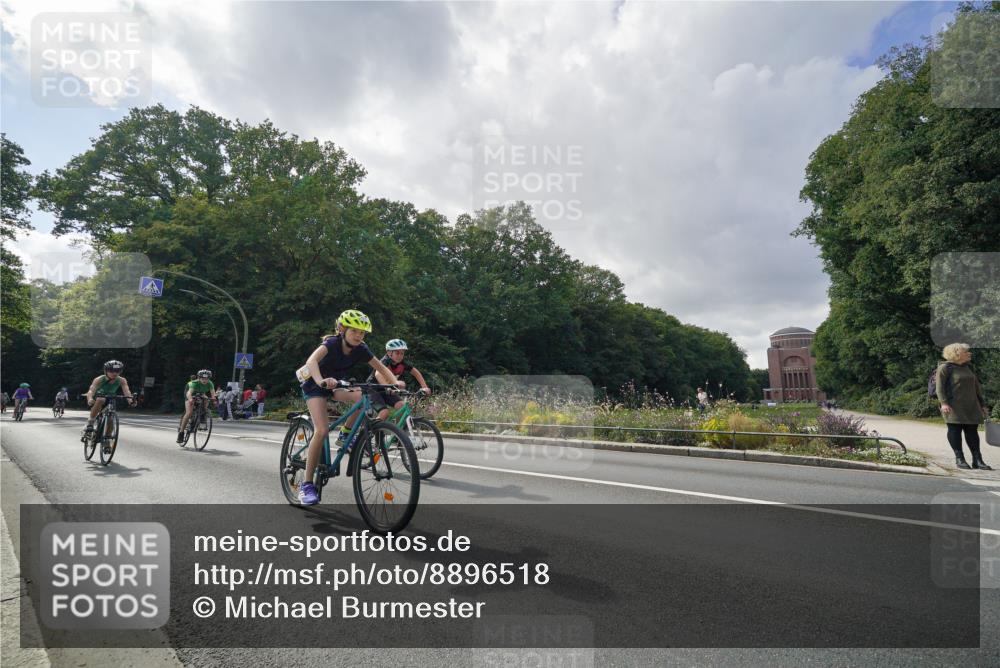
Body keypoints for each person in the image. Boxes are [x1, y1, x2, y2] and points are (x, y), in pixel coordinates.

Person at [296, 309, 399, 506]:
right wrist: (320, 380)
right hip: (315, 385)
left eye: (362, 333)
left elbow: (381, 367)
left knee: (363, 397)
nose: (359, 336)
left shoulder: (361, 348)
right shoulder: (331, 343)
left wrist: (394, 383)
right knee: (322, 430)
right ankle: (307, 486)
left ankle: (345, 435)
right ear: (342, 329)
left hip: (336, 384)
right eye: (354, 331)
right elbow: (311, 361)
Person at [937, 343, 992, 471]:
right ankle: (960, 458)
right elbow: (940, 388)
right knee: (955, 430)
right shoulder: (945, 367)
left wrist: (982, 404)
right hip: (953, 406)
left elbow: (976, 388)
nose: (969, 353)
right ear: (956, 354)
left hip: (971, 405)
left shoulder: (968, 367)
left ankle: (977, 460)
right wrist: (944, 403)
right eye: (966, 351)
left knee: (972, 432)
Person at [369, 339, 431, 420]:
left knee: (401, 406)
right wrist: (387, 387)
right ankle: (374, 428)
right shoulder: (385, 361)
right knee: (384, 412)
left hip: (387, 391)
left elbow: (416, 373)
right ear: (389, 353)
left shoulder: (402, 363)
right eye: (397, 353)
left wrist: (424, 387)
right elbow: (378, 374)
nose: (400, 356)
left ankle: (397, 428)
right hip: (372, 390)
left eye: (402, 353)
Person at [82, 361, 136, 440]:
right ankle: (90, 422)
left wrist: (131, 401)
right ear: (106, 371)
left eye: (117, 371)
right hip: (98, 399)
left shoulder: (122, 380)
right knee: (101, 399)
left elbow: (127, 392)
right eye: (111, 371)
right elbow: (91, 391)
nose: (115, 373)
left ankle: (107, 438)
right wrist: (89, 399)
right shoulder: (99, 379)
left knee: (111, 417)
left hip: (110, 399)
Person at [177, 370, 217, 443]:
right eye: (203, 378)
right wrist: (190, 399)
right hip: (190, 392)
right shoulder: (194, 383)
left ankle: (203, 413)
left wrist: (214, 400)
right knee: (189, 412)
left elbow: (213, 393)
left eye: (207, 379)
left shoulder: (210, 383)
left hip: (200, 392)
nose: (205, 380)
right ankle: (181, 433)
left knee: (207, 400)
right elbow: (189, 393)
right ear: (199, 378)